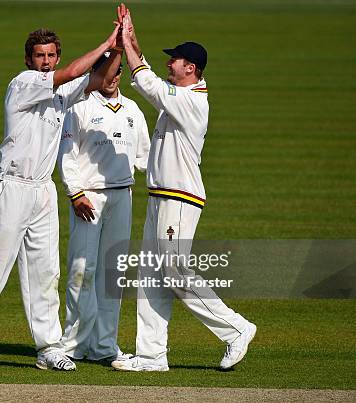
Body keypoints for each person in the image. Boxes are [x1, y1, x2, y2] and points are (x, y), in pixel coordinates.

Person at [0, 25, 123, 372]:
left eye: (51, 56)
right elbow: (76, 72)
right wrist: (104, 42)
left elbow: (99, 77)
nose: (46, 62)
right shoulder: (23, 83)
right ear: (29, 59)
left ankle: (48, 346)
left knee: (45, 271)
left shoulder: (62, 91)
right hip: (13, 187)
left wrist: (118, 49)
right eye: (40, 56)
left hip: (43, 189)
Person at [111, 6, 256, 372]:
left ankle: (236, 328)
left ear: (190, 67)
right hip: (162, 196)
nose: (170, 64)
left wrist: (128, 46)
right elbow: (147, 72)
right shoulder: (180, 93)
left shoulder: (193, 101)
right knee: (150, 274)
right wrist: (129, 35)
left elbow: (146, 82)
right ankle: (151, 355)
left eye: (175, 60)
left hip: (179, 197)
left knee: (174, 272)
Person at [57, 53, 150, 363]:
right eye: (106, 71)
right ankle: (73, 345)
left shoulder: (134, 111)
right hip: (89, 197)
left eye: (117, 71)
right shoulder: (79, 107)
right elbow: (67, 155)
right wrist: (75, 193)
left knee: (113, 274)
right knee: (83, 270)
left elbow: (146, 159)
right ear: (96, 72)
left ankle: (104, 346)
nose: (112, 78)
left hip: (122, 196)